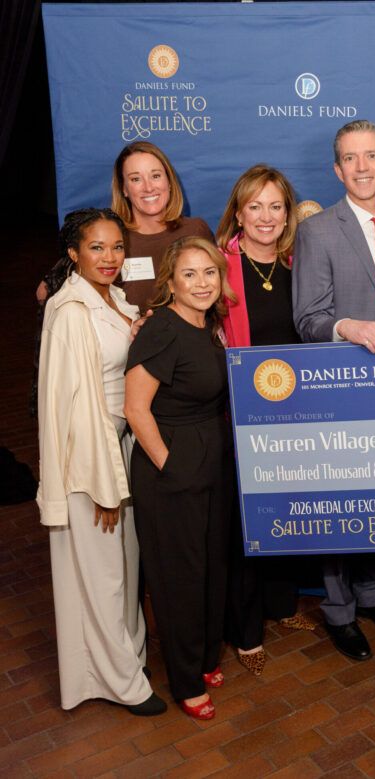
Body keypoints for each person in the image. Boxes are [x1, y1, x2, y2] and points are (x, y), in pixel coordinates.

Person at [291, 119, 375, 660]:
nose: (361, 167)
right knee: (344, 506)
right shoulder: (318, 230)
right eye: (350, 158)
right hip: (344, 392)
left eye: (370, 156)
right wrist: (349, 327)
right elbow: (308, 318)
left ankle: (373, 595)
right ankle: (339, 611)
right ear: (337, 170)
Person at [37, 208, 165, 717]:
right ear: (74, 253)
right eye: (96, 247)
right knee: (105, 577)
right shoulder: (70, 312)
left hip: (119, 446)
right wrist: (99, 485)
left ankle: (128, 661)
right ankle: (122, 684)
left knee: (126, 570)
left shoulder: (111, 297)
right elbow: (69, 411)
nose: (109, 257)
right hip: (89, 462)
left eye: (116, 247)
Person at [124, 236, 235, 720]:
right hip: (172, 465)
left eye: (209, 272)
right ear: (170, 282)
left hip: (211, 458)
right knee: (180, 578)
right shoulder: (160, 330)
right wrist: (170, 467)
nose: (202, 283)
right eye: (189, 274)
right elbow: (135, 409)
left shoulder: (208, 324)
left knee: (211, 565)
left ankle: (207, 657)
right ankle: (187, 680)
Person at [216, 164, 316, 677]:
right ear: (238, 213)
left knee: (285, 511)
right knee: (245, 524)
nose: (266, 216)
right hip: (242, 414)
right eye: (255, 206)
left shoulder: (300, 263)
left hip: (294, 414)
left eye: (276, 206)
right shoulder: (218, 267)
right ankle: (245, 631)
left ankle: (281, 604)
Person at [36, 142, 214, 307]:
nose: (148, 187)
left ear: (169, 182)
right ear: (124, 189)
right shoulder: (110, 237)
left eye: (156, 176)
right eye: (136, 179)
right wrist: (119, 320)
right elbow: (44, 292)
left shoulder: (196, 230)